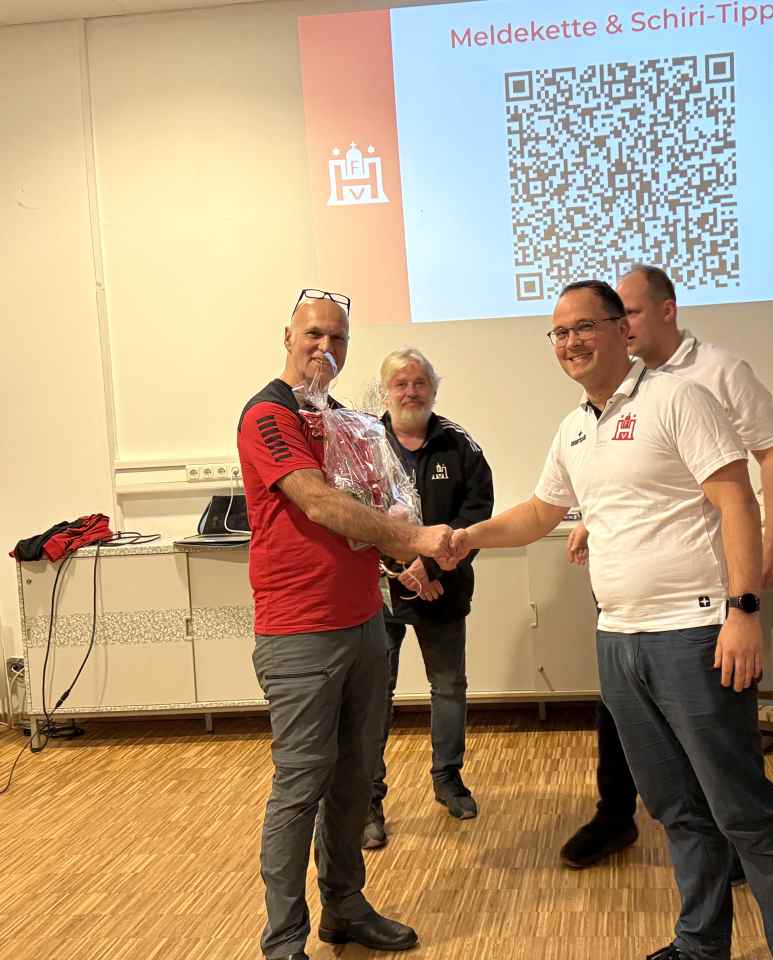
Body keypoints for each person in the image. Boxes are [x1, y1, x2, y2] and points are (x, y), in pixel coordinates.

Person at [438, 280, 773, 960]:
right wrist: (468, 537)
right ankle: (701, 945)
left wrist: (743, 611)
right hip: (619, 639)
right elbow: (539, 513)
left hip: (695, 634)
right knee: (677, 809)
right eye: (559, 333)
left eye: (584, 327)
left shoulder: (680, 399)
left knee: (743, 810)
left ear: (623, 329)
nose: (571, 343)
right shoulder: (574, 428)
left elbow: (737, 501)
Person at [237, 289, 453, 960]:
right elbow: (320, 503)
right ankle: (284, 941)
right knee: (301, 786)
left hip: (364, 622)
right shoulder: (268, 415)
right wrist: (411, 538)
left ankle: (345, 907)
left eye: (338, 338)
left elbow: (366, 508)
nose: (325, 348)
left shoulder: (345, 423)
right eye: (313, 334)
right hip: (300, 633)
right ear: (288, 336)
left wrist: (399, 558)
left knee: (355, 780)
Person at [561, 264, 773, 875]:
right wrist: (593, 518)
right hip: (632, 584)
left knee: (715, 736)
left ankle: (735, 837)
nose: (622, 324)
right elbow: (627, 477)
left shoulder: (715, 374)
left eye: (629, 312)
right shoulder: (601, 404)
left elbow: (771, 454)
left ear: (665, 310)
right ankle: (619, 814)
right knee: (628, 712)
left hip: (704, 585)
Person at [364, 347, 494, 848]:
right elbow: (353, 516)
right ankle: (369, 801)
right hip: (378, 595)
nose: (410, 392)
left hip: (443, 589)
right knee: (373, 697)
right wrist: (400, 568)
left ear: (433, 390)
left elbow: (476, 515)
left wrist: (432, 565)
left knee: (449, 688)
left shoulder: (461, 446)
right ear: (385, 392)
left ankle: (448, 779)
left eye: (420, 383)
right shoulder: (364, 446)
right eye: (400, 384)